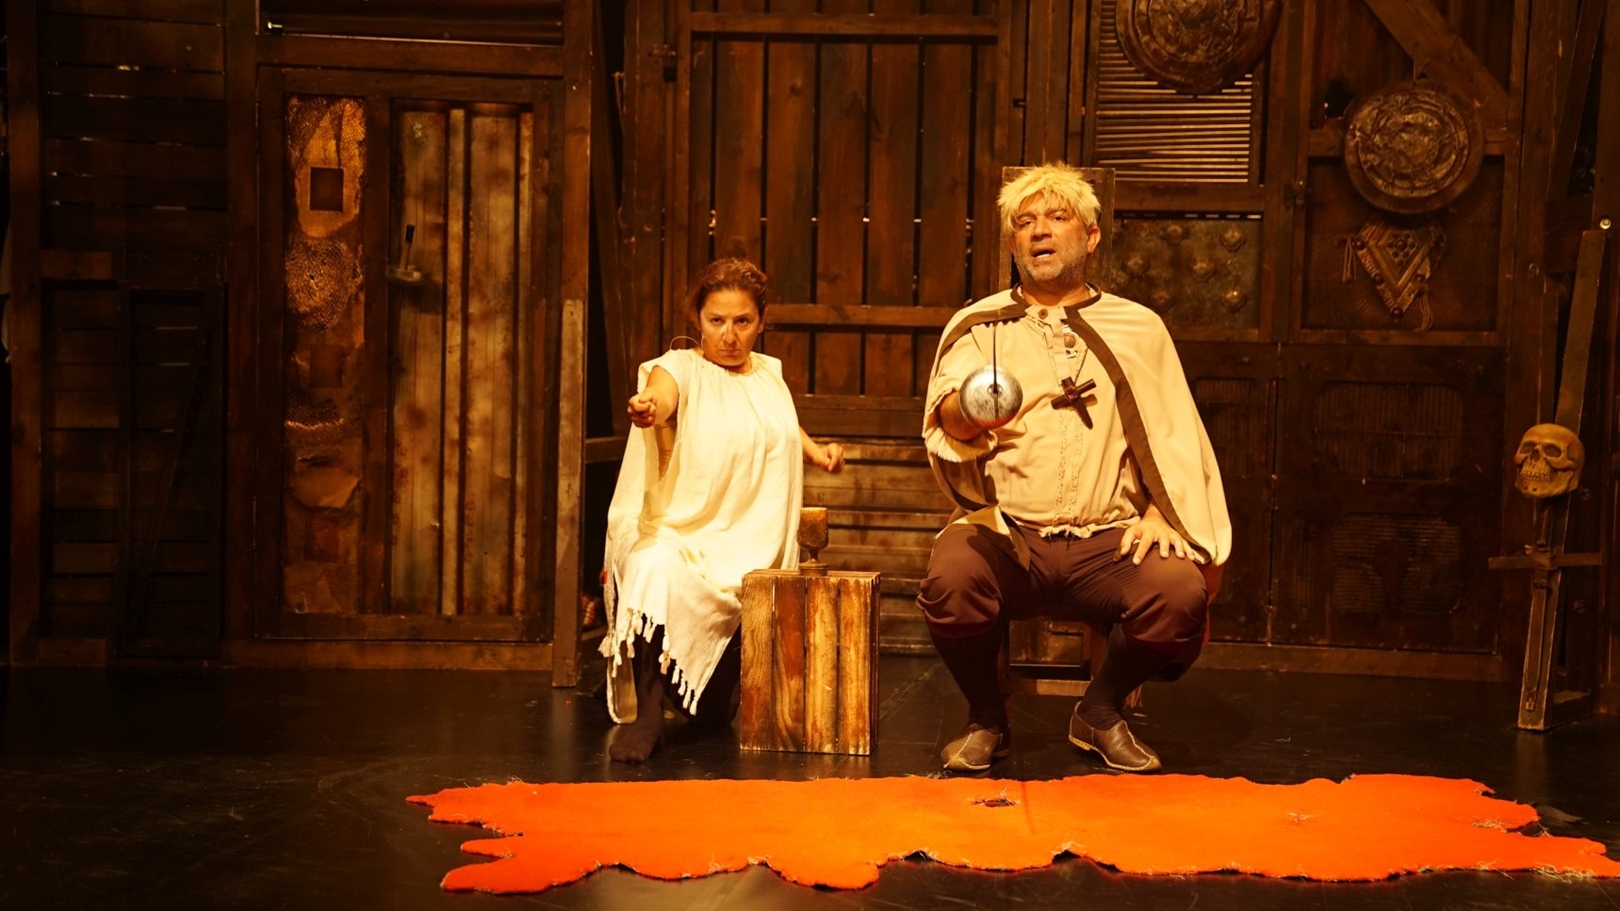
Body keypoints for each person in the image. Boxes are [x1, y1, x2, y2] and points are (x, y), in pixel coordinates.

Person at [918, 162, 1230, 774]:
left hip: (1107, 540)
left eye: (1057, 217)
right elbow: (946, 419)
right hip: (1009, 534)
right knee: (950, 580)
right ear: (1013, 243)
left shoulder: (1138, 327)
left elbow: (1174, 434)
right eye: (1025, 222)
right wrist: (972, 409)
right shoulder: (981, 327)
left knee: (1178, 593)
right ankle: (987, 718)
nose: (1039, 230)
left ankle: (1100, 710)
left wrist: (1159, 512)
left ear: (1090, 236)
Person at [600, 257, 845, 762]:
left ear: (762, 321)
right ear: (698, 319)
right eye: (716, 321)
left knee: (714, 715)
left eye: (742, 321)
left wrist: (815, 451)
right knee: (650, 564)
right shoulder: (679, 367)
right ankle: (649, 716)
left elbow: (778, 421)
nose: (729, 336)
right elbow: (661, 396)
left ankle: (706, 681)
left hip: (753, 547)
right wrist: (649, 407)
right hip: (686, 539)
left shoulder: (768, 374)